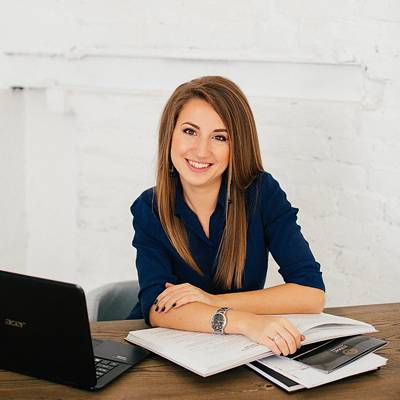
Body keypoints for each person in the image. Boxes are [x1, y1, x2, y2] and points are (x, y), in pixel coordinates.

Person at [127, 76, 325, 356]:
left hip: (234, 354)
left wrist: (209, 300)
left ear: (237, 146)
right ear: (169, 134)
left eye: (219, 137)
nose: (201, 150)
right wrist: (242, 321)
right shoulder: (150, 207)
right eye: (189, 131)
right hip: (163, 352)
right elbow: (158, 309)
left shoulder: (261, 193)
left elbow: (310, 294)